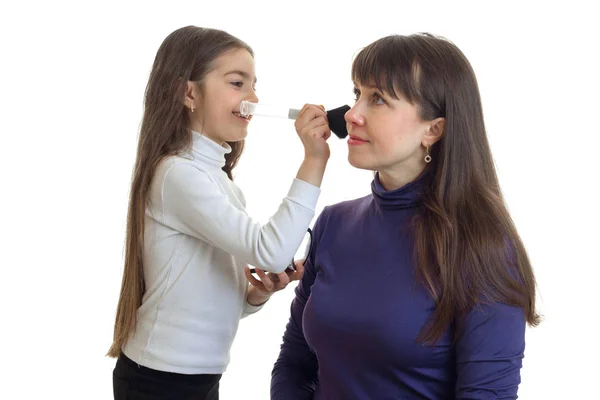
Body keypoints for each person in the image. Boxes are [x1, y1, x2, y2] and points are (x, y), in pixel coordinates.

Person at [271, 33, 540, 399]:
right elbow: (294, 364)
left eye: (378, 99)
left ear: (433, 129)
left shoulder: (482, 248)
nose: (352, 115)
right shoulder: (333, 224)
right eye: (357, 94)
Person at [107, 25, 331, 399]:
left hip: (197, 377)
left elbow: (205, 302)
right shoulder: (178, 174)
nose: (253, 98)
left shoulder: (217, 180)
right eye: (237, 83)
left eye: (254, 85)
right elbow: (271, 251)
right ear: (189, 92)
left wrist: (254, 296)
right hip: (159, 381)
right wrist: (314, 159)